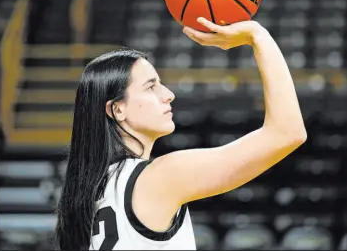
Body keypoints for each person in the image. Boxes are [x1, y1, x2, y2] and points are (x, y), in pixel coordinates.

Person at [55, 18, 307, 250]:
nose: (168, 94)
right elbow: (287, 132)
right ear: (117, 109)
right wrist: (257, 35)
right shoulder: (160, 177)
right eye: (151, 86)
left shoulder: (91, 191)